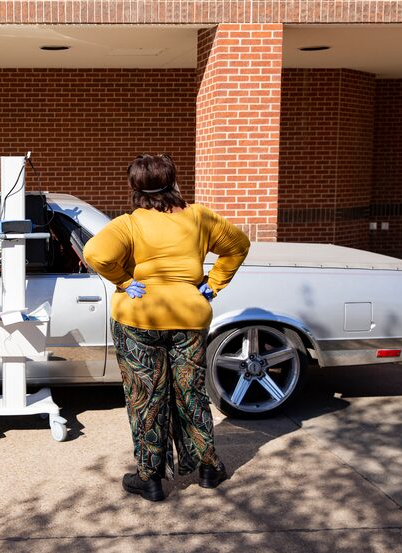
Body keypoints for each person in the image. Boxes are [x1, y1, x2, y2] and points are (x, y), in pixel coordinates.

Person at [84, 154, 250, 501]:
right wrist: (213, 283)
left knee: (145, 397)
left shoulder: (129, 223)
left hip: (138, 319)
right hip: (189, 317)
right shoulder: (199, 216)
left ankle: (151, 479)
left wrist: (124, 281)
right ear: (174, 181)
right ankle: (207, 467)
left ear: (135, 189)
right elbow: (238, 245)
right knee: (191, 392)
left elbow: (96, 253)